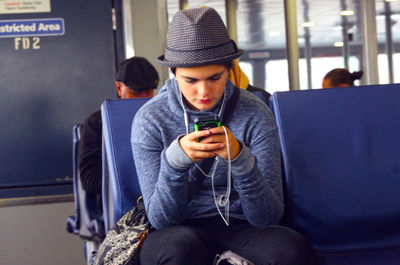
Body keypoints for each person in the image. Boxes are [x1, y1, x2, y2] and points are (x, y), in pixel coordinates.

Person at [131, 7, 317, 265]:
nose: (203, 91)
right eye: (190, 80)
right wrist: (174, 162)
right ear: (173, 73)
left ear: (230, 70)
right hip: (180, 229)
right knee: (177, 250)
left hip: (242, 226)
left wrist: (240, 159)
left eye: (214, 78)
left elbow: (268, 218)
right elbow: (162, 220)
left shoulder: (255, 113)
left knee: (292, 250)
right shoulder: (150, 120)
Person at [78, 56, 159, 215]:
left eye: (148, 91)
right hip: (119, 209)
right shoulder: (98, 123)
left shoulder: (161, 117)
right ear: (118, 88)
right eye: (135, 92)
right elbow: (89, 178)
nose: (143, 98)